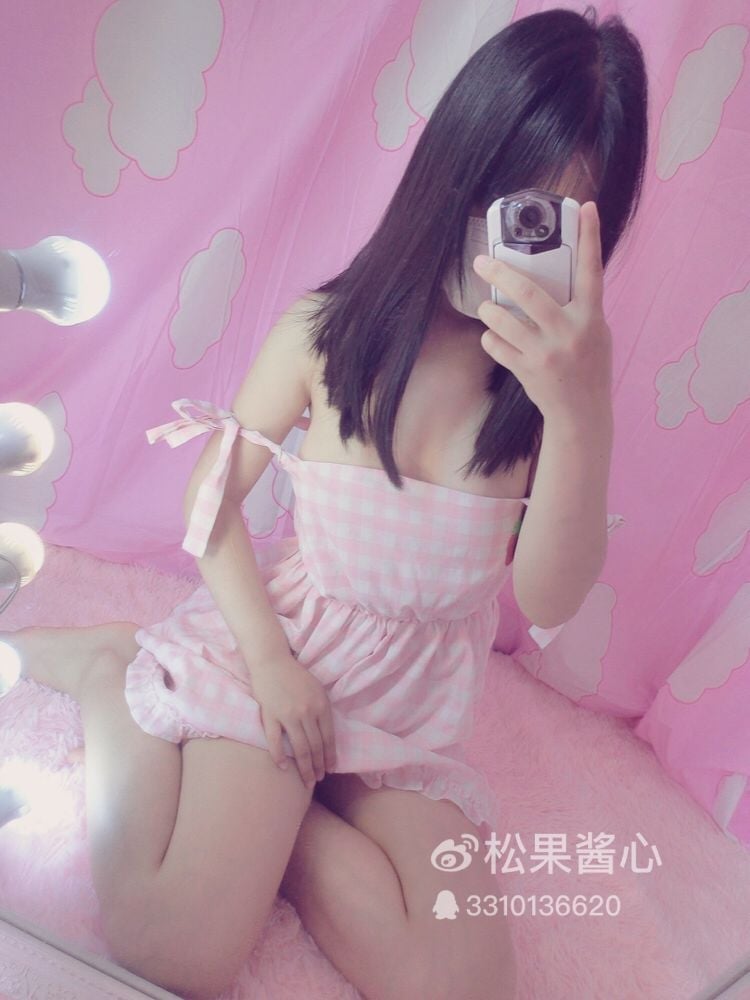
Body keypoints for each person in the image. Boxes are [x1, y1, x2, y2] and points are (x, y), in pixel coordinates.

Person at [3, 6, 648, 999]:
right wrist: (269, 667)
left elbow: (550, 595)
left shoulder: (541, 401)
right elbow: (211, 499)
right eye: (503, 200)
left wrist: (581, 410)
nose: (505, 249)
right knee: (177, 945)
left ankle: (283, 820)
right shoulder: (328, 334)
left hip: (405, 716)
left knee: (466, 981)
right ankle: (111, 672)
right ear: (453, 170)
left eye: (548, 229)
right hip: (286, 662)